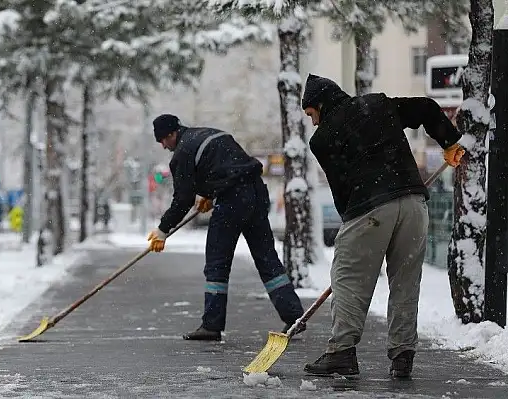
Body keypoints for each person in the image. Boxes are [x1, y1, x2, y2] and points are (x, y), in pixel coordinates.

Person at [300, 74, 465, 379]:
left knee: (349, 278)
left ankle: (342, 353)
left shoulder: (322, 139)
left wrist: (354, 227)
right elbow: (427, 107)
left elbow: (342, 191)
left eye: (311, 114)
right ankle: (403, 356)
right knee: (405, 282)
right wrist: (449, 141)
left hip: (371, 205)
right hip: (414, 203)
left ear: (320, 104)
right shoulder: (375, 104)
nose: (312, 122)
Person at [146, 114, 306, 341]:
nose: (163, 146)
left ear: (172, 133)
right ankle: (294, 316)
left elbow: (182, 199)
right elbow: (227, 165)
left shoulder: (182, 152)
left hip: (232, 200)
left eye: (163, 140)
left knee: (216, 261)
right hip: (256, 192)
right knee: (265, 257)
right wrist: (210, 194)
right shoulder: (208, 133)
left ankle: (212, 325)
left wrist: (162, 230)